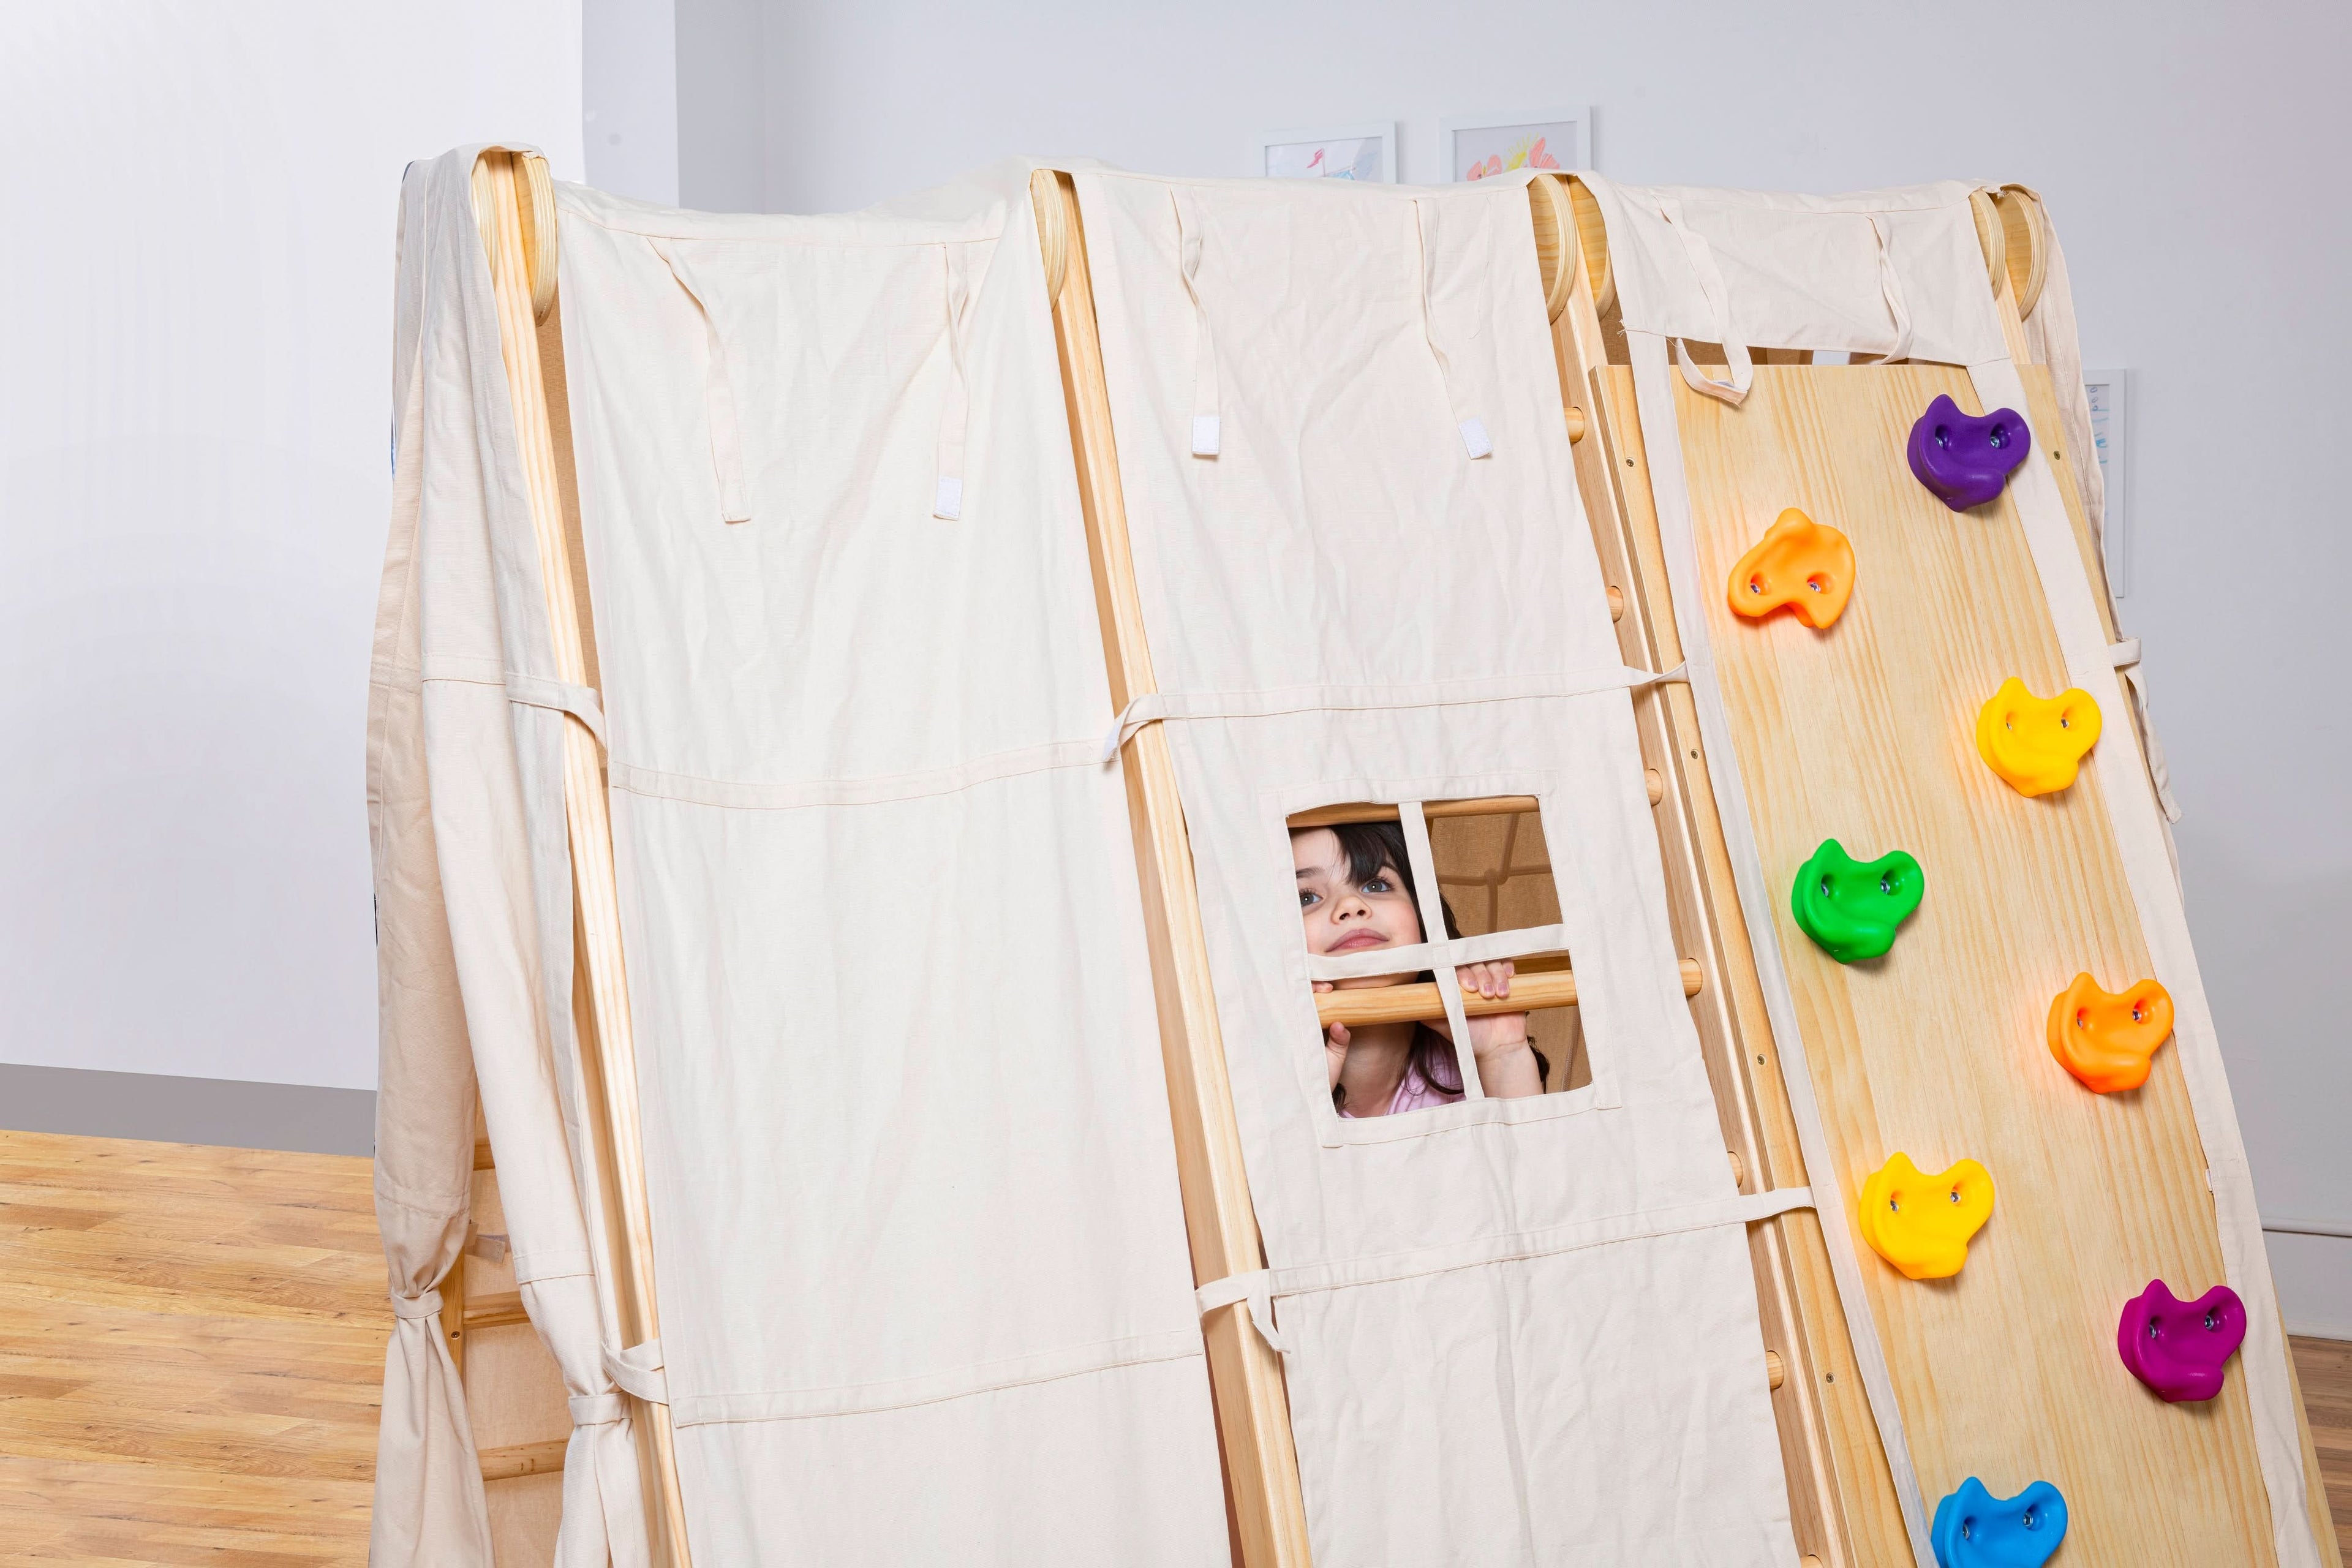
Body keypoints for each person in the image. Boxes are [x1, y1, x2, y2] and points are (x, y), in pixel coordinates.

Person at [1294, 820, 1546, 1117]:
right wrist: (1298, 1102)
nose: (1351, 904)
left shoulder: (1465, 1071)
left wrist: (1502, 1053)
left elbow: (1535, 1147)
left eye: (1376, 885)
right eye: (1306, 898)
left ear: (1422, 916)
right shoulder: (1261, 1075)